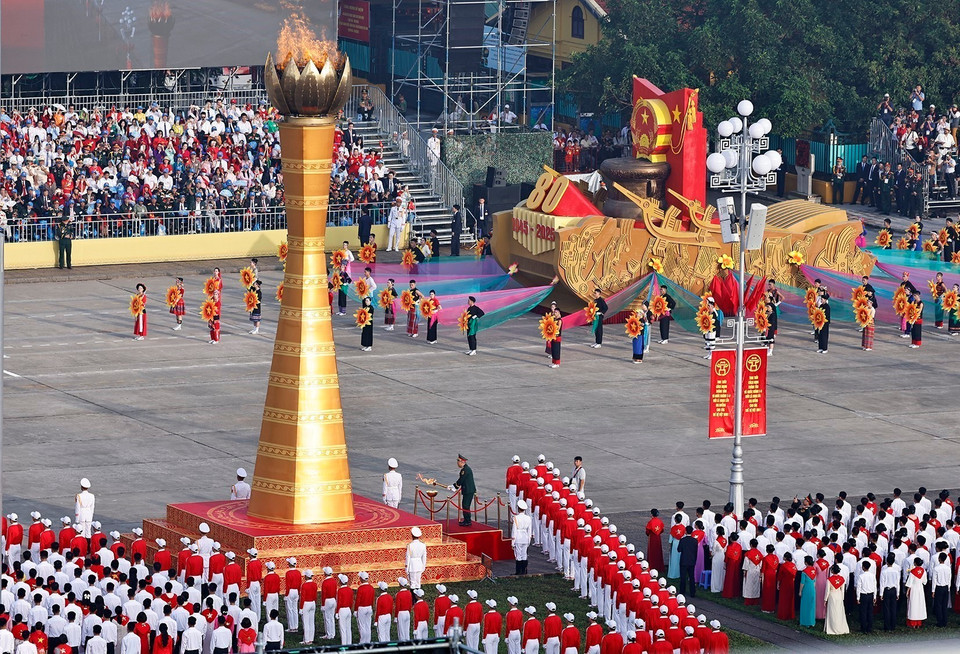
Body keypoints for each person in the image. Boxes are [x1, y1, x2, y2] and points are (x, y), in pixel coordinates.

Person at [448, 454, 477, 526]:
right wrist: (454, 486)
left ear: (462, 462)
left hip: (468, 490)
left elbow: (461, 480)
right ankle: (466, 520)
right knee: (465, 505)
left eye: (458, 461)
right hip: (467, 490)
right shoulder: (465, 469)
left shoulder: (465, 470)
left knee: (466, 506)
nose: (457, 463)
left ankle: (468, 521)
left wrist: (454, 486)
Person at [824, 564, 849, 635]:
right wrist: (842, 598)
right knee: (839, 612)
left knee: (832, 612)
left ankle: (832, 627)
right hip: (839, 596)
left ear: (832, 571)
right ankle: (840, 627)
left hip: (832, 596)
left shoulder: (829, 580)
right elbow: (843, 590)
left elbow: (827, 591)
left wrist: (825, 599)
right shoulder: (842, 579)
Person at [677, 527, 699, 598]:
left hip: (684, 560)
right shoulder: (695, 541)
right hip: (692, 561)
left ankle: (682, 591)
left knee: (683, 577)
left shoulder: (682, 540)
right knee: (691, 577)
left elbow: (679, 549)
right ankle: (692, 592)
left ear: (685, 531)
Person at [512, 500, 533, 575]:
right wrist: (529, 540)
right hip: (525, 538)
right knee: (524, 554)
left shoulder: (516, 518)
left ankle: (518, 571)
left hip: (518, 538)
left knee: (518, 555)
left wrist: (512, 542)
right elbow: (529, 530)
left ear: (518, 508)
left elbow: (514, 530)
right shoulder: (528, 518)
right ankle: (524, 571)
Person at [798, 557, 817, 627]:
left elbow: (802, 583)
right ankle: (812, 621)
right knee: (811, 606)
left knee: (805, 605)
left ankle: (804, 622)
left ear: (806, 562)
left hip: (806, 589)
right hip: (812, 588)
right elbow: (814, 581)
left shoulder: (804, 572)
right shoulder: (814, 570)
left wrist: (800, 591)